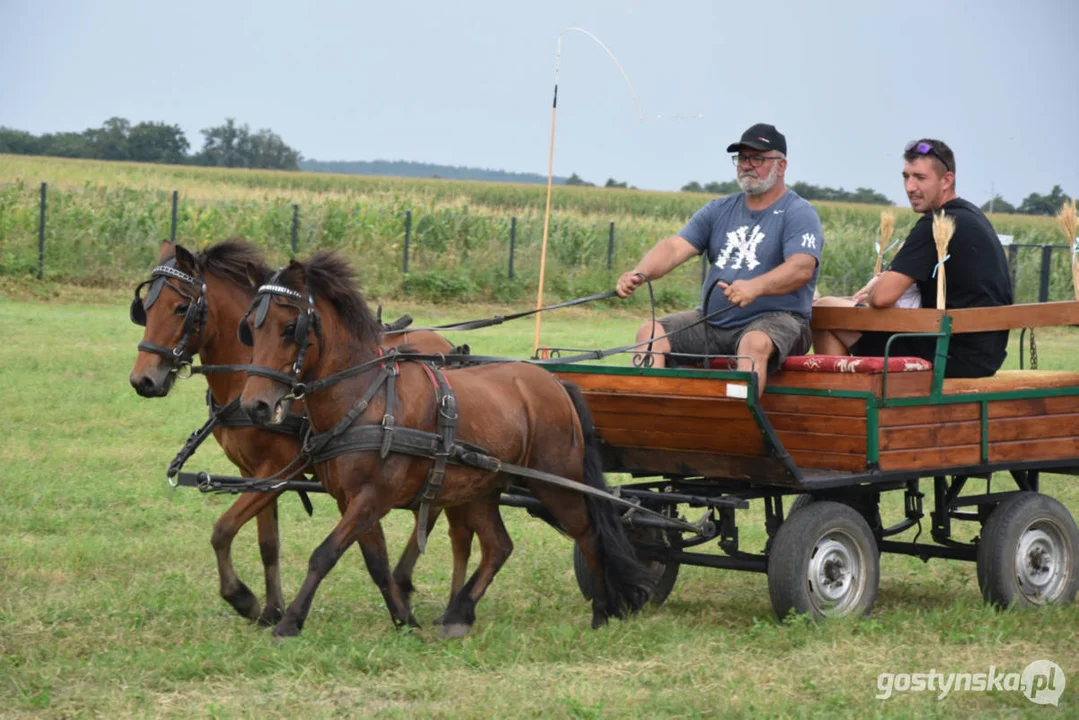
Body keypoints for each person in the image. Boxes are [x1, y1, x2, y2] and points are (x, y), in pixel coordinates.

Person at [615, 123, 823, 396]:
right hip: (713, 321)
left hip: (779, 321)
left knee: (754, 343)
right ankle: (650, 415)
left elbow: (801, 269)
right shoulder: (718, 209)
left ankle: (737, 423)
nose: (747, 165)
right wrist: (640, 273)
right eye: (742, 158)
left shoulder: (798, 212)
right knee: (650, 334)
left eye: (757, 158)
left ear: (781, 166)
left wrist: (754, 287)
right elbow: (675, 247)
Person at [811, 139, 1013, 377]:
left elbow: (883, 297)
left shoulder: (936, 224)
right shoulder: (972, 215)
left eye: (920, 177)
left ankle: (841, 404)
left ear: (946, 180)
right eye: (906, 177)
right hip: (982, 353)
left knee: (825, 311)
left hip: (946, 354)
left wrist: (875, 286)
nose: (910, 187)